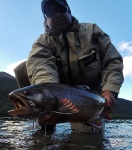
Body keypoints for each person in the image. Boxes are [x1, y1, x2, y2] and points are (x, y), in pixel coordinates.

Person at [15, 0, 124, 133]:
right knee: (23, 69)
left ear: (69, 10)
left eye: (61, 9)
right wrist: (49, 102)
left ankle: (91, 117)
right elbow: (42, 69)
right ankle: (46, 119)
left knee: (86, 139)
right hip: (57, 98)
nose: (57, 14)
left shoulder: (92, 32)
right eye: (50, 12)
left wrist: (110, 90)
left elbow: (112, 61)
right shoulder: (41, 43)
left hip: (88, 99)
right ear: (45, 17)